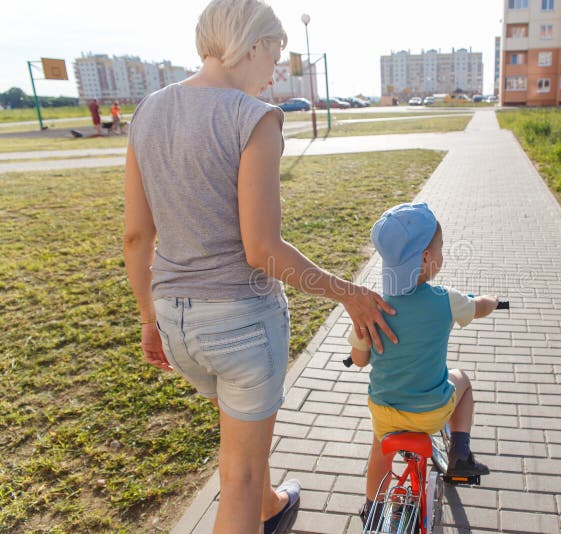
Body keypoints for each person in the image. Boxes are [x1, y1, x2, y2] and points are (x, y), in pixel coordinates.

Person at [122, 1, 397, 532]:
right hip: (242, 323)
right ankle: (257, 500)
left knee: (242, 434)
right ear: (252, 45)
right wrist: (347, 293)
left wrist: (148, 321)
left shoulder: (147, 112)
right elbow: (262, 249)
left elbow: (137, 237)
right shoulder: (254, 118)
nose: (278, 68)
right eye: (276, 51)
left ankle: (271, 504)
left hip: (177, 325)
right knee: (240, 475)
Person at [346, 202, 499, 526]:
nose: (442, 254)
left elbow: (359, 360)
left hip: (386, 410)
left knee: (380, 450)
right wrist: (493, 301)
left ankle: (373, 510)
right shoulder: (445, 299)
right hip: (431, 410)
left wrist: (363, 349)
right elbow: (478, 307)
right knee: (463, 379)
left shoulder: (372, 307)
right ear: (427, 258)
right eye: (440, 248)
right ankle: (459, 452)